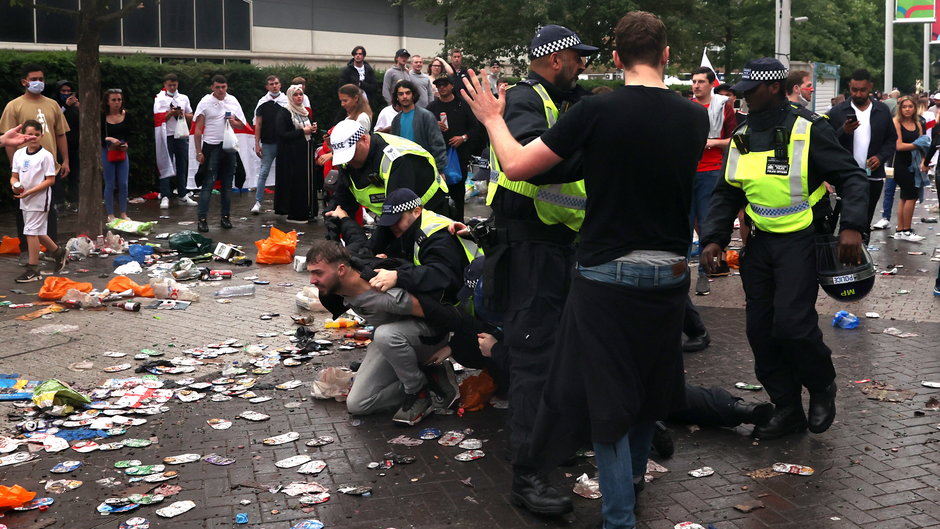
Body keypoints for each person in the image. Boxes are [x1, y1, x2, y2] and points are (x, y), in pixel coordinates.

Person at [465, 13, 706, 526]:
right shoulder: (694, 117)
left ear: (617, 60)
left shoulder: (596, 111)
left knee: (609, 399)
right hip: (669, 276)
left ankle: (619, 517)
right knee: (648, 390)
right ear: (667, 57)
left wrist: (490, 119)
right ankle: (631, 481)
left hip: (604, 274)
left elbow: (516, 166)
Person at [700, 57, 869, 442]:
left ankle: (822, 384)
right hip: (759, 242)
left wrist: (853, 228)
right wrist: (714, 237)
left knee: (792, 324)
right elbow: (728, 191)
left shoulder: (809, 128)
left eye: (750, 91)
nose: (743, 98)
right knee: (761, 331)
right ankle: (787, 407)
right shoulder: (742, 133)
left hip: (802, 238)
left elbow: (851, 177)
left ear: (773, 88)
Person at [471, 23, 594, 517]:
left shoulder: (568, 100)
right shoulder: (523, 100)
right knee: (534, 359)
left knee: (568, 351)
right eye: (578, 58)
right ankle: (528, 475)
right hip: (532, 250)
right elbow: (531, 159)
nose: (583, 66)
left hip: (563, 246)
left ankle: (562, 441)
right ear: (557, 60)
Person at [305, 236, 459, 426]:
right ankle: (430, 377)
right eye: (310, 273)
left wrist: (453, 346)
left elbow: (442, 314)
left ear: (341, 270)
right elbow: (356, 243)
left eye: (318, 273)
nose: (312, 280)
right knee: (358, 404)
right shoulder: (335, 289)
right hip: (391, 343)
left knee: (385, 335)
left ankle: (418, 393)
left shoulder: (385, 294)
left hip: (427, 338)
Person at [0, 63, 69, 263]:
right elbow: (8, 140)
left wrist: (65, 160)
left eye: (41, 79)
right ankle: (26, 251)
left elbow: (61, 134)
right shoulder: (14, 105)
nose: (38, 82)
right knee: (24, 209)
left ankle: (52, 250)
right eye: (34, 79)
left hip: (49, 166)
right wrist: (16, 168)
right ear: (24, 81)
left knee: (50, 209)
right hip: (25, 168)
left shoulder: (53, 104)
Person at [327, 118, 450, 218]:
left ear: (364, 139)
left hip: (431, 210)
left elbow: (396, 216)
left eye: (351, 153)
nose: (349, 161)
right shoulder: (347, 162)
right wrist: (333, 219)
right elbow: (342, 200)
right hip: (394, 216)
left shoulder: (395, 159)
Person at [826, 69, 896, 242]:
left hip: (873, 176)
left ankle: (861, 257)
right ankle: (844, 257)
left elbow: (891, 140)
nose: (858, 94)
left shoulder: (882, 110)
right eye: (854, 90)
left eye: (862, 90)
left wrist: (880, 157)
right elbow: (826, 142)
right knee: (848, 219)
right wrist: (844, 131)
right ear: (849, 87)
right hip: (845, 176)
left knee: (865, 219)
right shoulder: (837, 112)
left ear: (870, 87)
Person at [690, 66, 736, 296]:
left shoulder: (722, 106)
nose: (696, 86)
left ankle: (703, 274)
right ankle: (679, 275)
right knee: (685, 223)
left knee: (707, 224)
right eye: (694, 81)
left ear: (711, 84)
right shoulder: (686, 107)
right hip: (687, 171)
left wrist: (713, 143)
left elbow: (734, 140)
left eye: (701, 82)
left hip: (711, 171)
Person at [10, 120, 67, 283]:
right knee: (38, 232)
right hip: (25, 199)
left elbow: (50, 180)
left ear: (42, 135)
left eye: (36, 134)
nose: (33, 137)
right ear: (23, 135)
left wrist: (30, 192)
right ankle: (58, 252)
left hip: (40, 199)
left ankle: (33, 269)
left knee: (30, 232)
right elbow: (14, 176)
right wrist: (16, 186)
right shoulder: (19, 154)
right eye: (29, 134)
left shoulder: (46, 156)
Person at [193, 74, 247, 233]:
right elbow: (197, 129)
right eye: (218, 87)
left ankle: (225, 217)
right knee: (208, 184)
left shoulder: (232, 100)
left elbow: (242, 126)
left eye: (223, 87)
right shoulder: (205, 102)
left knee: (227, 185)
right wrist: (198, 151)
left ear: (227, 87)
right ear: (212, 88)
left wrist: (232, 122)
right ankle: (202, 219)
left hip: (229, 147)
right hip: (212, 146)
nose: (221, 90)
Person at [427, 76, 479, 221]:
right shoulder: (432, 107)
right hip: (437, 156)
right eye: (438, 85)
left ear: (451, 86)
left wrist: (463, 138)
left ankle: (459, 224)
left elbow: (475, 128)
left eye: (444, 85)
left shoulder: (462, 105)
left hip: (459, 155)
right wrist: (433, 125)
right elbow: (423, 128)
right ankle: (441, 224)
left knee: (457, 194)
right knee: (439, 194)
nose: (441, 88)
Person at [274, 84, 317, 224]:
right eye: (296, 95)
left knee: (307, 182)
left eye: (301, 94)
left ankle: (310, 210)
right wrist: (302, 132)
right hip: (291, 155)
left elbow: (307, 129)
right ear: (290, 97)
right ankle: (296, 213)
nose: (299, 97)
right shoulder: (285, 112)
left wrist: (313, 129)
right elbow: (281, 133)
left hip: (305, 152)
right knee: (296, 183)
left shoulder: (305, 111)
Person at [153, 73, 197, 209]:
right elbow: (158, 118)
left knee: (182, 164)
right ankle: (165, 195)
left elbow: (191, 115)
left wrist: (182, 113)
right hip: (166, 135)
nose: (172, 87)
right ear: (165, 85)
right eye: (169, 85)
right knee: (165, 163)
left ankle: (182, 193)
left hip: (181, 134)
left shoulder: (183, 98)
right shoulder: (159, 98)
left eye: (174, 85)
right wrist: (171, 113)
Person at [390, 80, 448, 174]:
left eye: (408, 93)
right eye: (401, 94)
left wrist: (440, 170)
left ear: (413, 95)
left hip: (425, 169)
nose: (404, 96)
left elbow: (437, 144)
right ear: (397, 97)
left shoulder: (426, 116)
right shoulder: (396, 120)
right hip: (403, 170)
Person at [252, 75, 288, 215]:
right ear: (267, 87)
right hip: (267, 143)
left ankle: (284, 202)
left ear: (280, 85)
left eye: (276, 83)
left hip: (284, 142)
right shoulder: (262, 102)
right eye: (271, 84)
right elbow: (258, 124)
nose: (274, 86)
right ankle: (258, 202)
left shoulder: (286, 101)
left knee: (284, 173)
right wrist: (257, 143)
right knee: (263, 172)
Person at [892, 95, 926, 241]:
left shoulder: (918, 123)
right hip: (901, 164)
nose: (907, 109)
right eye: (904, 107)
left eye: (910, 106)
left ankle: (900, 230)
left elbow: (924, 143)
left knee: (905, 197)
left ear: (915, 108)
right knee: (911, 196)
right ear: (900, 108)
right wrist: (918, 144)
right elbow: (898, 146)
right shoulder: (896, 122)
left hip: (915, 164)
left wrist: (924, 160)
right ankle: (906, 230)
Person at [101, 88, 132, 222]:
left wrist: (127, 144)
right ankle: (110, 214)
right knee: (110, 183)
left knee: (123, 183)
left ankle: (123, 213)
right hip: (107, 150)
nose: (117, 103)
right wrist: (109, 140)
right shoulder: (102, 116)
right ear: (107, 102)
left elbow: (131, 133)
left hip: (122, 150)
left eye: (119, 99)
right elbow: (98, 135)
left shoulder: (126, 115)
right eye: (113, 100)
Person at [54, 80, 80, 212]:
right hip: (60, 146)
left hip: (75, 145)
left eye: (68, 91)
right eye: (63, 91)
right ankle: (59, 203)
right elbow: (54, 118)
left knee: (74, 175)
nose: (66, 94)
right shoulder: (56, 106)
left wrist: (78, 107)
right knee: (60, 175)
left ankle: (74, 201)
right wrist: (65, 105)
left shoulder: (76, 106)